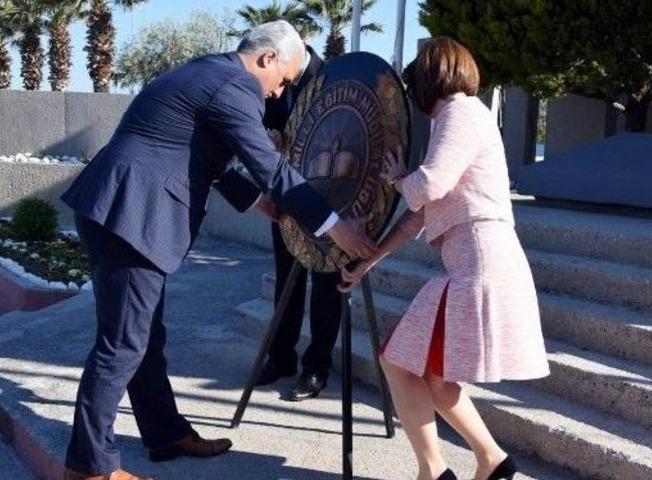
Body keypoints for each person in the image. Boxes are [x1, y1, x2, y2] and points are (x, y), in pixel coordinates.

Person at [60, 21, 377, 480]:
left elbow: (206, 156)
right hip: (130, 215)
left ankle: (165, 432)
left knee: (143, 337)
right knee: (122, 344)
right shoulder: (237, 86)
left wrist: (255, 202)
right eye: (283, 80)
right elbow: (271, 167)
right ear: (267, 58)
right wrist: (335, 227)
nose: (277, 94)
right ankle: (89, 468)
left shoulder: (209, 71)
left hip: (119, 208)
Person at [341, 37, 550, 480]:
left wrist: (399, 178)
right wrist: (369, 260)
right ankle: (490, 461)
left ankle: (434, 472)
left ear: (431, 78)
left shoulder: (460, 112)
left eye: (414, 82)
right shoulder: (461, 117)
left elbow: (427, 187)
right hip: (477, 259)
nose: (412, 95)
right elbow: (417, 215)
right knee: (430, 373)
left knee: (399, 360)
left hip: (478, 261)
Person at [255, 45, 342, 402]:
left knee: (325, 285)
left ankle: (317, 368)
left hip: (327, 199)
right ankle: (281, 357)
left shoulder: (333, 77)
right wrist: (270, 139)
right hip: (287, 198)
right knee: (285, 282)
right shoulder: (276, 83)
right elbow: (265, 129)